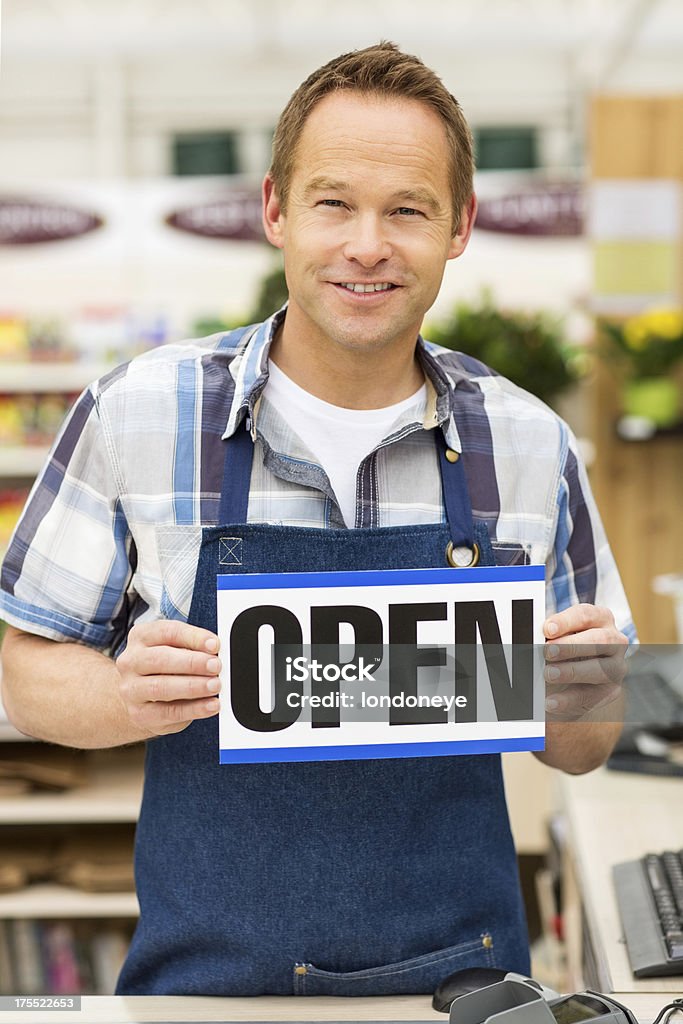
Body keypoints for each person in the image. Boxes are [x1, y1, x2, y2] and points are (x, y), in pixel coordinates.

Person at [0, 42, 633, 996]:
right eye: (333, 202)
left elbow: (585, 746)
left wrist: (579, 696)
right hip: (206, 994)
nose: (367, 244)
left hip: (462, 994)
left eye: (408, 210)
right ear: (275, 211)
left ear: (459, 226)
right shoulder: (138, 412)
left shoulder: (527, 441)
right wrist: (122, 698)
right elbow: (25, 666)